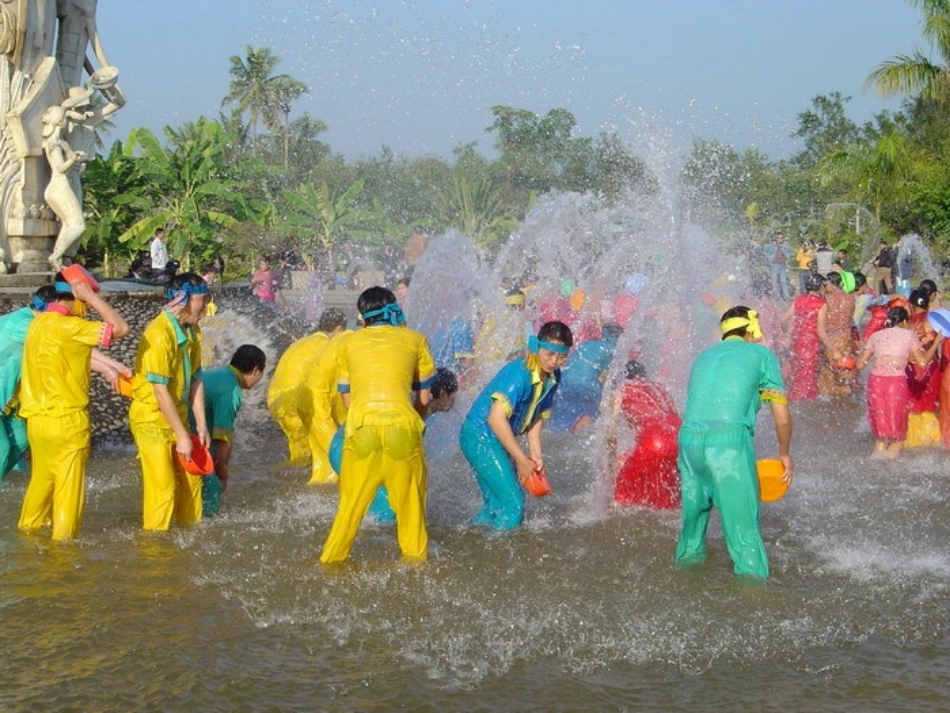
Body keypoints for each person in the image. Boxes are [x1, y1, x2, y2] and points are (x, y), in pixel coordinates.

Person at [319, 287, 436, 564]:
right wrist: (416, 423)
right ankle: (416, 577)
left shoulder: (347, 344)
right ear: (394, 310)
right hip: (403, 430)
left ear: (363, 316)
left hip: (362, 431)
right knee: (412, 516)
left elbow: (348, 401)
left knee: (348, 514)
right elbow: (424, 397)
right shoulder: (416, 340)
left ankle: (330, 567)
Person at [675, 306, 792, 579]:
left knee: (691, 531)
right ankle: (752, 602)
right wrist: (784, 453)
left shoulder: (703, 356)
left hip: (688, 442)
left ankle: (685, 581)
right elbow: (782, 418)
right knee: (744, 534)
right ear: (751, 330)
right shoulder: (762, 355)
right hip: (728, 443)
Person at [18, 272, 130, 540]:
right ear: (78, 298)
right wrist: (91, 297)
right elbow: (121, 328)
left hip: (37, 423)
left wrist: (107, 368)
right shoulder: (73, 328)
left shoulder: (38, 324)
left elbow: (78, 354)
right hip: (68, 424)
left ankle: (26, 542)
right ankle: (62, 556)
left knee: (40, 486)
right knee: (68, 493)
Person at [460, 321, 573, 531]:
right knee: (514, 504)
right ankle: (498, 557)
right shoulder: (520, 374)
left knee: (494, 507)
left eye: (561, 357)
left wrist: (536, 456)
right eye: (549, 354)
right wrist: (521, 460)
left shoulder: (554, 376)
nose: (554, 361)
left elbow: (537, 418)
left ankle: (467, 541)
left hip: (496, 438)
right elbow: (495, 419)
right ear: (536, 346)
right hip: (480, 435)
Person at [128, 273, 210, 532]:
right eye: (201, 300)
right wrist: (181, 435)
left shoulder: (193, 330)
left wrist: (201, 426)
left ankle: (192, 534)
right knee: (163, 486)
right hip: (152, 418)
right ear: (182, 300)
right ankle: (156, 550)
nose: (206, 307)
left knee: (192, 480)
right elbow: (160, 390)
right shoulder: (160, 334)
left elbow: (196, 379)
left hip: (178, 415)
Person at [366, 367, 460, 522]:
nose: (455, 402)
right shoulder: (414, 413)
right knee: (390, 510)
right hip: (351, 449)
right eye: (453, 396)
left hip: (359, 449)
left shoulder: (418, 409)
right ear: (443, 395)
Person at [855, 306, 942, 458]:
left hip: (875, 383)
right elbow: (922, 363)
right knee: (897, 437)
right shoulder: (908, 335)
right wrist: (936, 343)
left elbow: (860, 365)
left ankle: (876, 466)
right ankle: (892, 473)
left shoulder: (876, 336)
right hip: (895, 384)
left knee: (881, 437)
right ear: (903, 321)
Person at [268, 308, 348, 468]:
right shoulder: (328, 345)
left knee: (301, 456)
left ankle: (281, 480)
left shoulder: (302, 342)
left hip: (277, 402)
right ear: (339, 329)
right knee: (314, 459)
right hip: (297, 405)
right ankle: (296, 487)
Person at [193, 344, 267, 516]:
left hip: (176, 430)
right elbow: (222, 439)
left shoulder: (215, 374)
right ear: (256, 370)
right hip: (191, 439)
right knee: (211, 487)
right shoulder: (231, 390)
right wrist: (222, 475)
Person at [608, 359, 681, 509]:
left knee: (621, 499)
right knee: (668, 502)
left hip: (653, 441)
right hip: (680, 439)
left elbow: (611, 433)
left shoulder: (622, 390)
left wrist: (610, 464)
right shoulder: (660, 388)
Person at [549, 322, 623, 433]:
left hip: (563, 382)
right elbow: (609, 381)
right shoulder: (612, 350)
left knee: (559, 418)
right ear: (619, 338)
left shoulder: (586, 344)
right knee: (594, 415)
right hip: (587, 387)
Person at [42, 105, 86, 271]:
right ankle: (55, 256)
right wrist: (73, 159)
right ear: (60, 122)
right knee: (78, 225)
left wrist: (70, 152)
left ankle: (57, 259)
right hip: (59, 185)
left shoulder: (58, 142)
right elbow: (60, 167)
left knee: (68, 224)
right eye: (65, 119)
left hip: (55, 188)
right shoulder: (54, 143)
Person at [782, 273, 825, 401]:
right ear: (819, 287)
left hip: (797, 341)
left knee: (798, 372)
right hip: (811, 343)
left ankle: (794, 400)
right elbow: (821, 331)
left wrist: (787, 334)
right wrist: (833, 349)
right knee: (808, 376)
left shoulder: (799, 299)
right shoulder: (821, 304)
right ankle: (805, 403)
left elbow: (783, 320)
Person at [816, 272, 856, 397]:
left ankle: (827, 404)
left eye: (825, 285)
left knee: (826, 374)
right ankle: (846, 400)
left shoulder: (826, 299)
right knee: (844, 372)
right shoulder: (850, 297)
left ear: (830, 284)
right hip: (845, 338)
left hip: (831, 338)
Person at [763, 233, 792, 301]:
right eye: (779, 237)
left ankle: (786, 296)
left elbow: (791, 251)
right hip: (774, 265)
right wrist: (770, 258)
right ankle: (777, 296)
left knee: (783, 281)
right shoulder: (771, 246)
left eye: (782, 237)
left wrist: (788, 256)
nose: (781, 239)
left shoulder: (785, 246)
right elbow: (765, 251)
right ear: (776, 238)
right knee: (774, 281)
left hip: (782, 265)